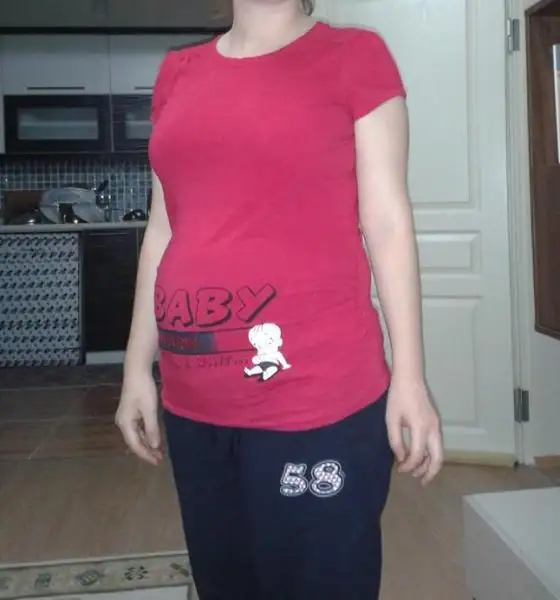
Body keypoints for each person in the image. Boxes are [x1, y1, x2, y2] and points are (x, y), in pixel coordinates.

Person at [115, 0, 443, 598]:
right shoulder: (178, 73)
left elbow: (388, 223)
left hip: (317, 402)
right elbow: (164, 229)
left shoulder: (354, 57)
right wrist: (137, 365)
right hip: (193, 402)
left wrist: (410, 378)